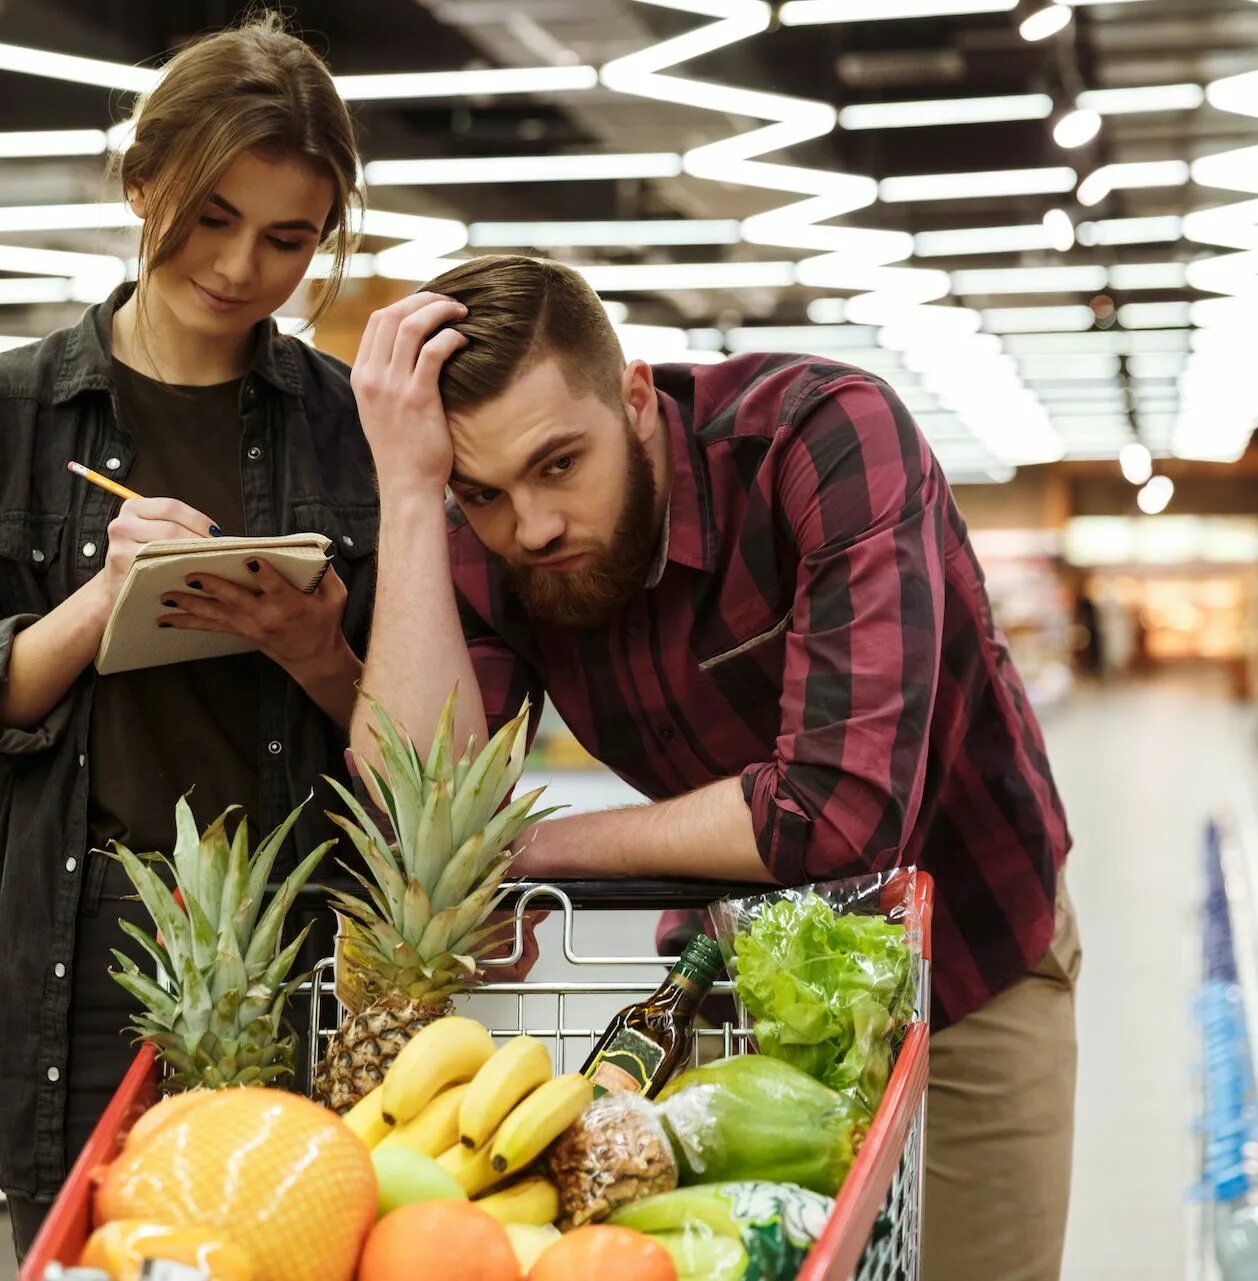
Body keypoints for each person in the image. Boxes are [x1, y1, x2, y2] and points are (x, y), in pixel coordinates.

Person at [348, 255, 1079, 1279]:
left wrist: (530, 849)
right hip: (729, 979)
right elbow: (419, 814)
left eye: (561, 463)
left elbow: (836, 814)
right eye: (485, 492)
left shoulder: (819, 438)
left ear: (636, 397)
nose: (533, 525)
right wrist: (413, 497)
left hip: (961, 964)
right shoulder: (488, 530)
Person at [0, 15, 370, 1257]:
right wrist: (97, 605)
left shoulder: (347, 425)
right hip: (79, 945)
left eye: (288, 238)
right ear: (144, 178)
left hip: (296, 929)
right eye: (212, 215)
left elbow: (416, 733)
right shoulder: (1, 412)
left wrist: (312, 648)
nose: (242, 266)